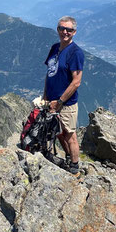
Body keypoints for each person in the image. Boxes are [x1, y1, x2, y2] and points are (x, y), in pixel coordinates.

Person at [43, 16, 84, 176]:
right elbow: (49, 73)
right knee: (58, 132)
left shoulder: (75, 53)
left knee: (70, 134)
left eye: (69, 30)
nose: (65, 32)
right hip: (51, 101)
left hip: (65, 103)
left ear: (74, 32)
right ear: (57, 29)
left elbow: (76, 82)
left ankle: (74, 167)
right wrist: (46, 95)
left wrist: (60, 102)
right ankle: (68, 157)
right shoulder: (54, 48)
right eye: (62, 28)